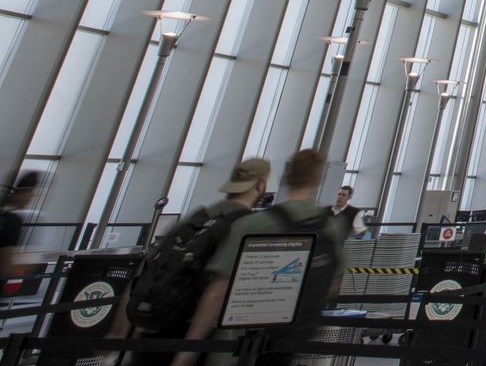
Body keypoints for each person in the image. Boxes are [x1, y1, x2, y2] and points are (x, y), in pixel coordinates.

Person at [173, 149, 346, 366]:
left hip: (238, 340)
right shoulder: (332, 228)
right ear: (319, 180)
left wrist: (188, 351)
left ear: (285, 177)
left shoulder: (253, 224)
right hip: (291, 340)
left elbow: (219, 290)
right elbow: (333, 284)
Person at [116, 159, 267, 366]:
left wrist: (119, 331)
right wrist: (187, 353)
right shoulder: (246, 224)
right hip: (200, 334)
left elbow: (147, 268)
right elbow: (217, 290)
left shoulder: (198, 217)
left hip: (155, 327)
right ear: (261, 185)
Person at [0, 171, 39, 286]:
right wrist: (22, 268)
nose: (32, 197)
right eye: (30, 192)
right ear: (18, 192)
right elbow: (4, 266)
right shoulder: (12, 220)